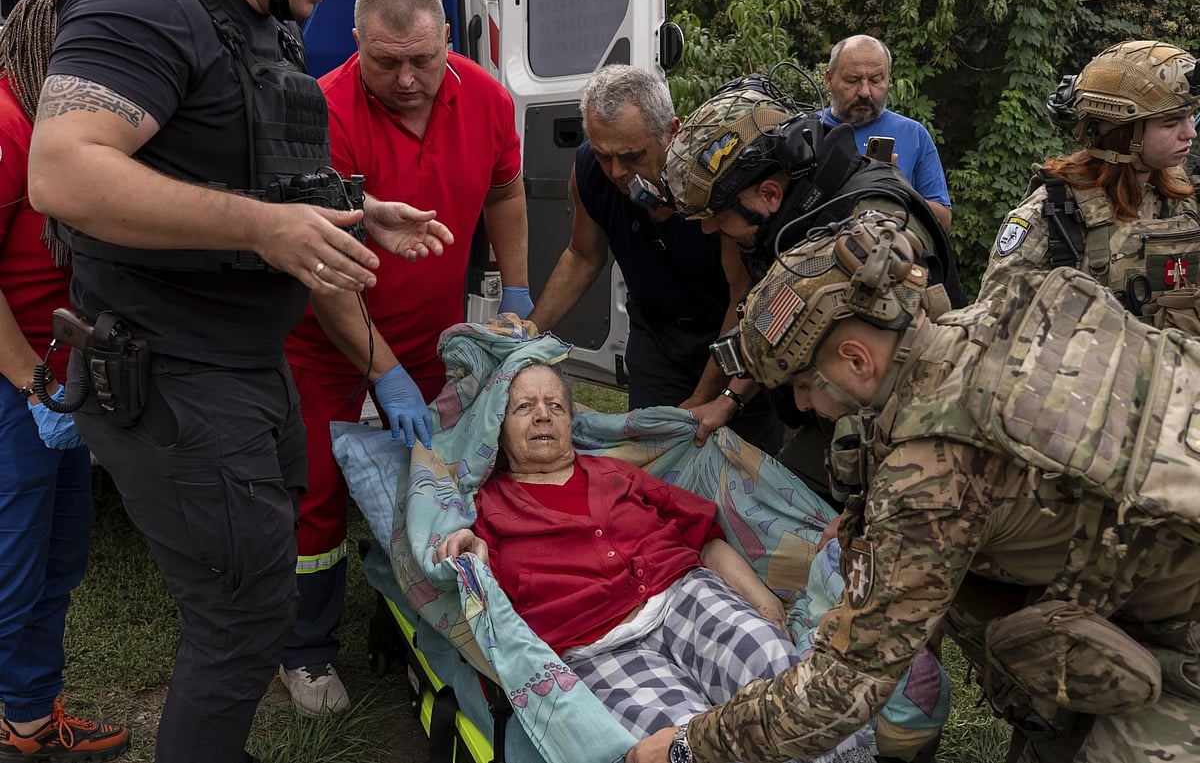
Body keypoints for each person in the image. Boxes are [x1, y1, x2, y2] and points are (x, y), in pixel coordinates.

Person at [24, 0, 452, 760]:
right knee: (240, 619)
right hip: (177, 375)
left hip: (247, 369)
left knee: (254, 605)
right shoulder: (146, 3)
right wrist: (261, 228)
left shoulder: (262, 23)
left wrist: (355, 212)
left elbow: (258, 169)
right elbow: (61, 171)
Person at [627, 211, 1200, 763]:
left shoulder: (930, 475)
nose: (801, 404)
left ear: (855, 359)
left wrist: (686, 746)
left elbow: (841, 692)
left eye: (803, 385)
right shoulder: (984, 324)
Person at [280, 0, 530, 716]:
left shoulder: (485, 97)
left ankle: (415, 613)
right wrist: (382, 373)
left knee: (436, 477)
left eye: (422, 58)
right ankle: (307, 649)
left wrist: (514, 292)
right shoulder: (321, 110)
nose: (409, 79)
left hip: (430, 333)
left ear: (448, 38)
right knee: (315, 490)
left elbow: (507, 191)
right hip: (323, 338)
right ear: (357, 45)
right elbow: (323, 273)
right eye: (388, 63)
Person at [432, 364, 869, 763]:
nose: (543, 415)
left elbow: (705, 540)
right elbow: (477, 575)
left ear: (569, 421)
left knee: (784, 677)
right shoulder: (487, 505)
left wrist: (764, 603)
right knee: (678, 743)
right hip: (597, 648)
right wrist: (471, 553)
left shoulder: (617, 473)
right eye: (524, 407)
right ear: (499, 430)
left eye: (556, 405)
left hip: (687, 596)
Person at [661, 75, 965, 490]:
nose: (710, 229)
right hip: (828, 425)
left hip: (908, 450)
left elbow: (914, 383)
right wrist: (726, 401)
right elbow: (784, 325)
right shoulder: (796, 216)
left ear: (768, 193)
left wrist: (869, 503)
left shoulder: (869, 227)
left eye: (716, 214)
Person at [0, 0, 129, 760]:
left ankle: (27, 717)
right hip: (19, 381)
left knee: (61, 551)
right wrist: (28, 381)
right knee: (11, 564)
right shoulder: (10, 123)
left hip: (59, 378)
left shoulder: (67, 122)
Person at [527, 64, 783, 455]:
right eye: (603, 155)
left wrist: (702, 398)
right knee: (650, 459)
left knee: (736, 461)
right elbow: (582, 256)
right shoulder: (589, 172)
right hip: (657, 339)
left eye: (631, 156)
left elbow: (742, 296)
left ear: (672, 132)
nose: (616, 172)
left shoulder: (715, 181)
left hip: (729, 333)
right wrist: (529, 334)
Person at [979, 40, 1200, 329]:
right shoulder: (1054, 212)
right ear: (1123, 131)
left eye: (1189, 116)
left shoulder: (1188, 196)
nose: (1190, 133)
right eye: (1171, 123)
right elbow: (991, 322)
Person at [819, 35, 952, 232]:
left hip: (891, 256)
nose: (865, 92)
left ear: (888, 79)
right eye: (852, 80)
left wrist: (895, 190)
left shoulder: (913, 134)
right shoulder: (807, 132)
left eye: (875, 80)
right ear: (829, 80)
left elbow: (943, 221)